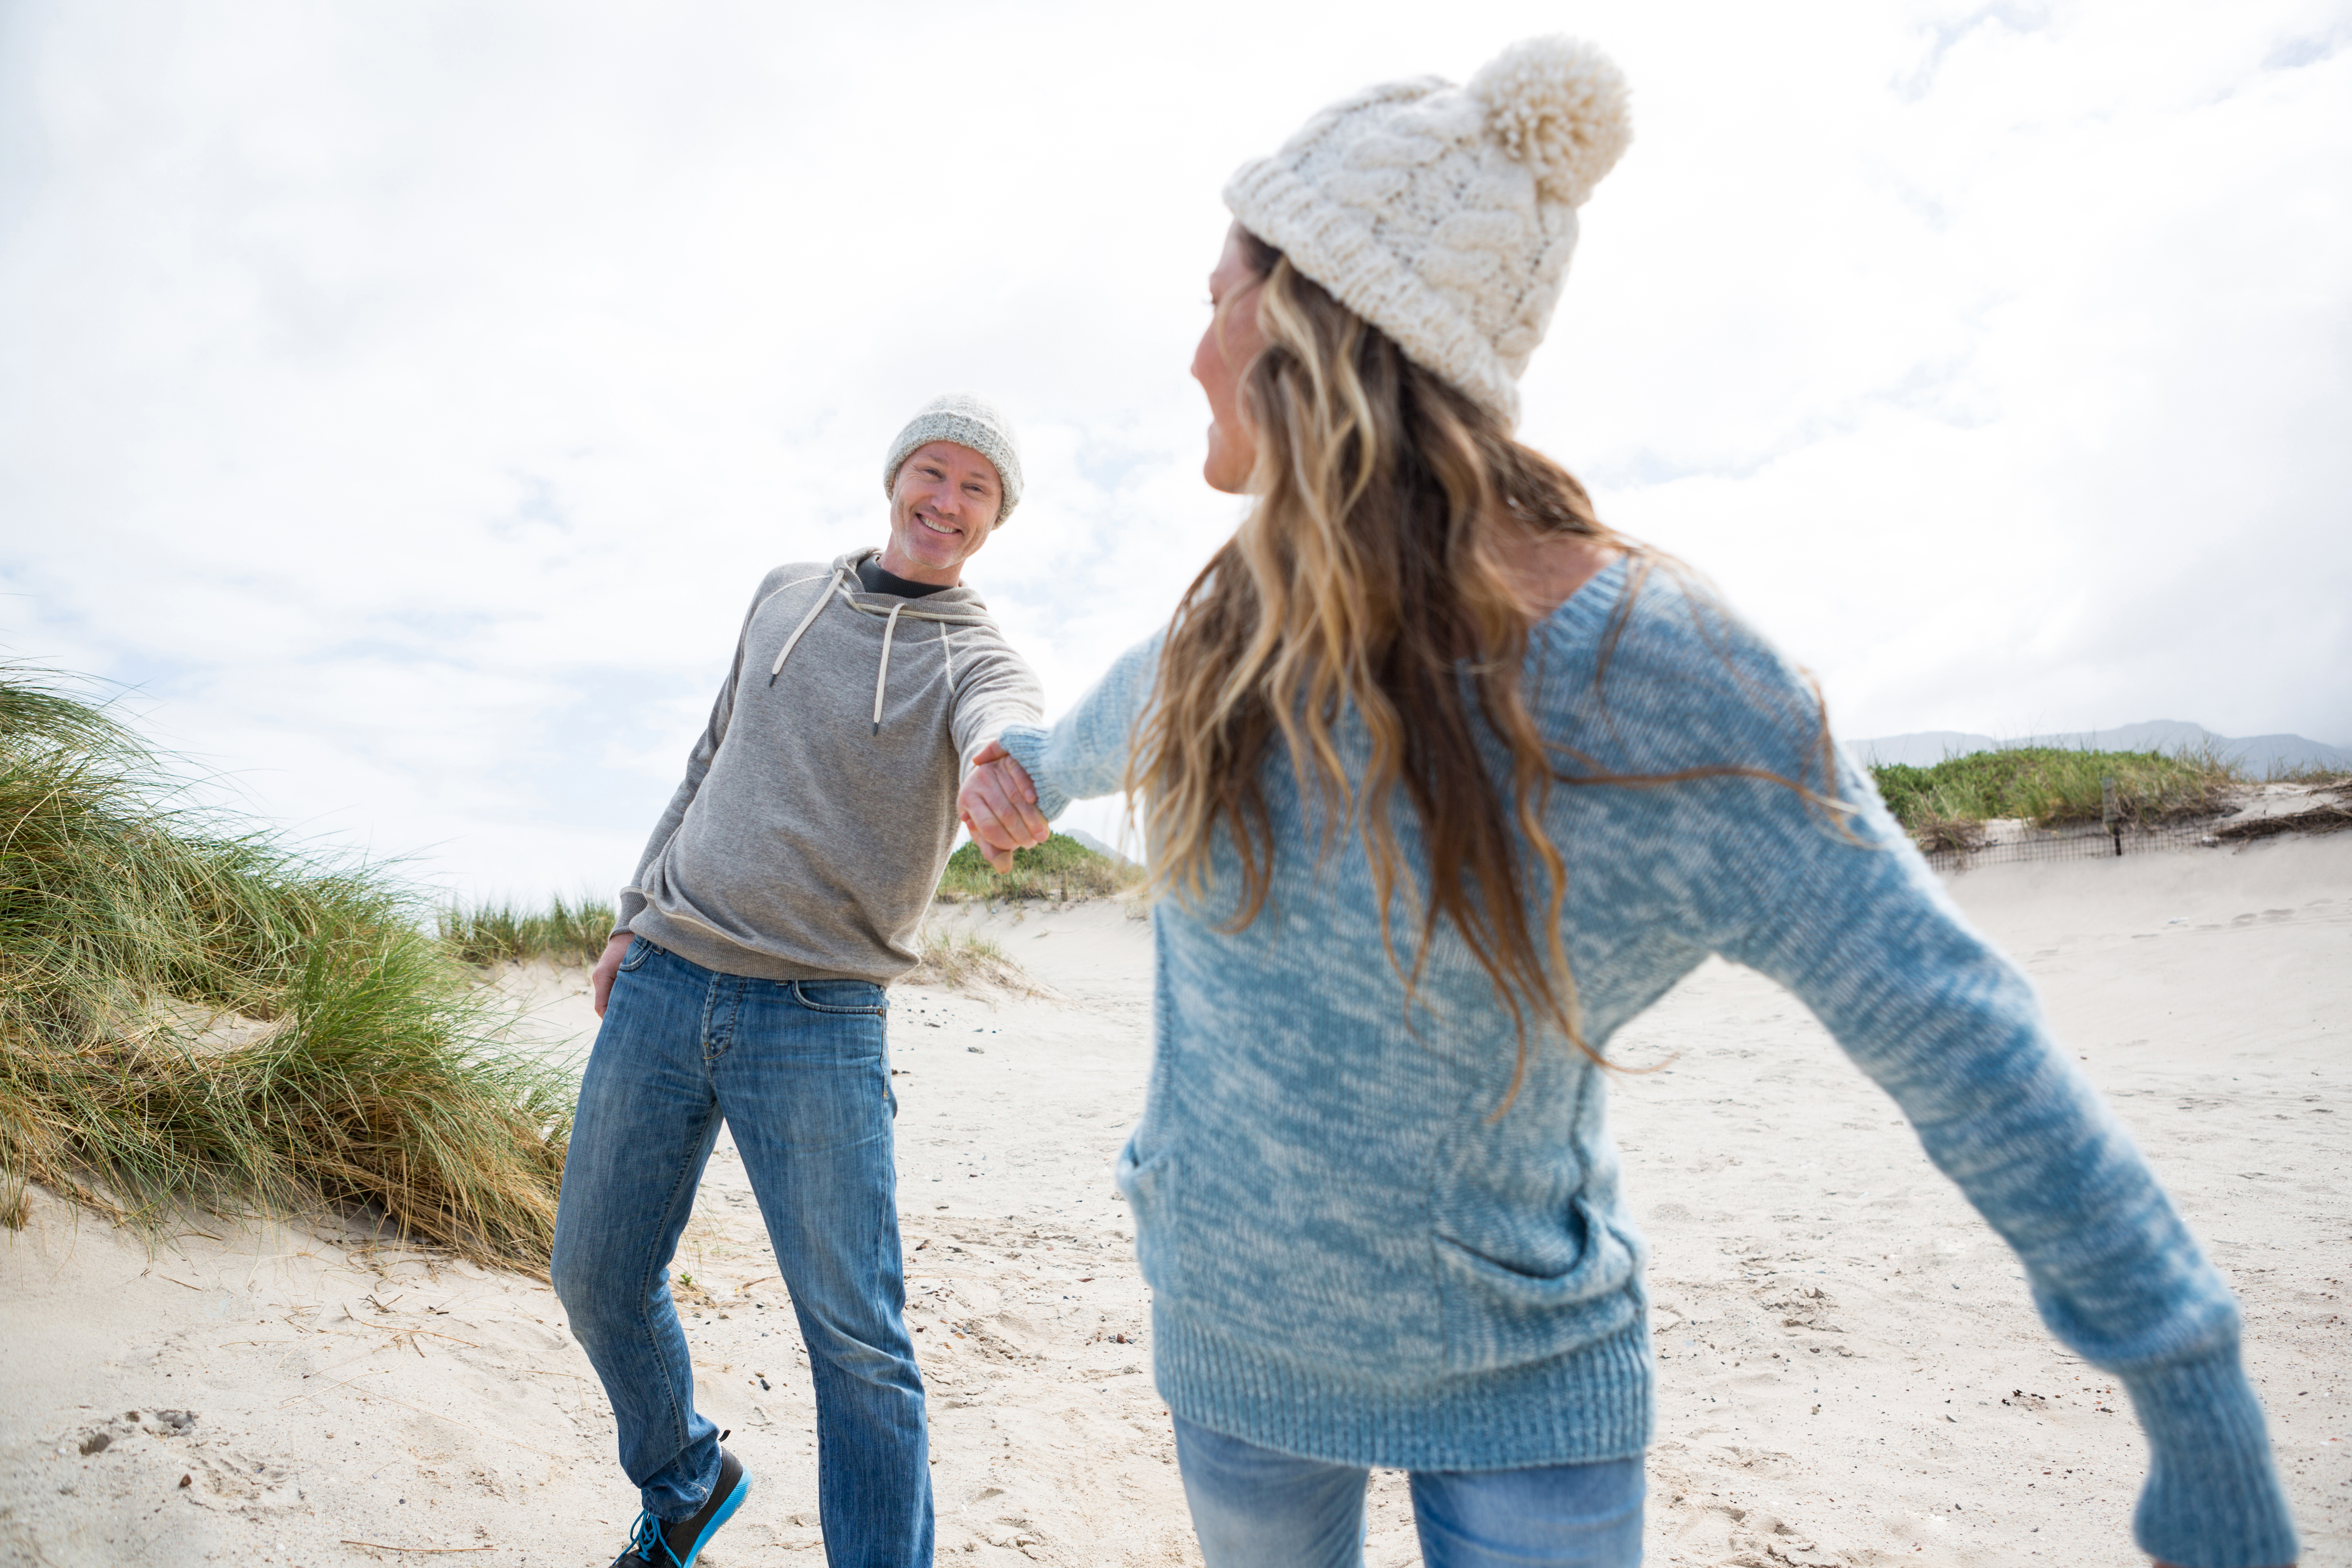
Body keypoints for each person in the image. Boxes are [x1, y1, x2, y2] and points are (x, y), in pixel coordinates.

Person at [956, 38, 2299, 1568]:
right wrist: (1024, 773)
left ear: (1316, 320)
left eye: (1215, 301)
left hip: (1535, 1400)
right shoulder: (1229, 631)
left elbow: (1959, 1032)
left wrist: (2191, 1386)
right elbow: (1089, 734)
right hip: (1237, 1359)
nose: (1195, 350)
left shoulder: (1670, 690)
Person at [552, 392, 1043, 1568]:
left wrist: (1003, 763)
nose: (948, 501)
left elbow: (1005, 715)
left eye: (977, 488)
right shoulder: (785, 591)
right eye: (933, 472)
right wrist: (633, 916)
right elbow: (711, 758)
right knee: (596, 1275)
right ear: (895, 479)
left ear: (995, 517)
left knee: (858, 1345)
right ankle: (685, 1481)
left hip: (819, 1019)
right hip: (670, 975)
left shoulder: (974, 652)